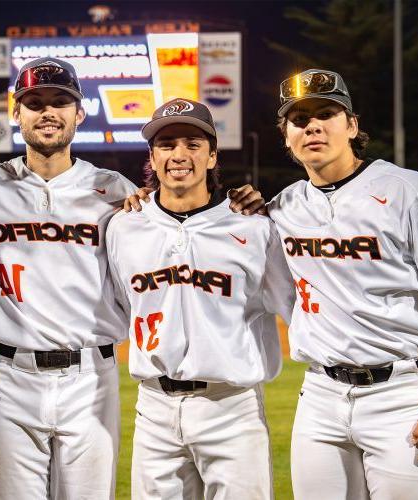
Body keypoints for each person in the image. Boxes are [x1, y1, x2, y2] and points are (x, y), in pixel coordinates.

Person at [0, 57, 264, 499]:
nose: (48, 112)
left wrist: (240, 200)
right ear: (15, 114)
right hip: (12, 376)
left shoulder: (116, 192)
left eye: (60, 101)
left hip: (91, 378)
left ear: (79, 113)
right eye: (34, 102)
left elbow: (182, 213)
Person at [267, 68, 418, 499]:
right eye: (298, 118)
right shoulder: (281, 208)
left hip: (403, 394)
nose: (311, 125)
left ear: (351, 126)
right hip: (320, 396)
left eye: (326, 113)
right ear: (286, 136)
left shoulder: (409, 191)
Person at [107, 98, 294, 499]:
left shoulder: (254, 226)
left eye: (193, 144)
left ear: (211, 157)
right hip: (154, 408)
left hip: (230, 407)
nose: (179, 155)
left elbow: (296, 306)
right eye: (166, 144)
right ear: (152, 158)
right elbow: (123, 304)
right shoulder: (124, 227)